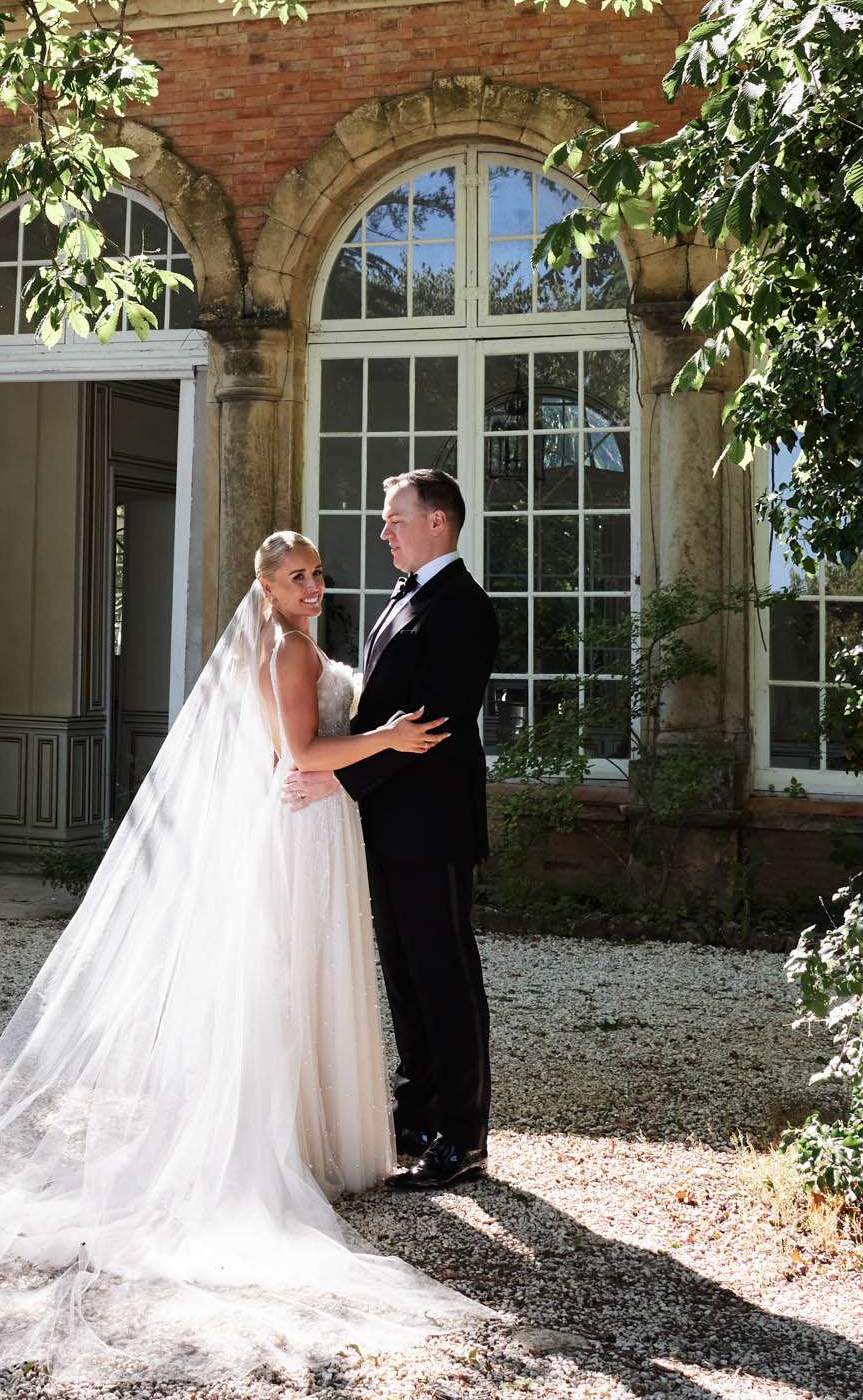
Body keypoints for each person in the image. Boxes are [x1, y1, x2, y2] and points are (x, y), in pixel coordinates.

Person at [0, 533, 478, 1385]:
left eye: (318, 573)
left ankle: (316, 1134)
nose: (314, 585)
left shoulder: (299, 643)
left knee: (308, 981)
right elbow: (302, 757)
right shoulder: (287, 650)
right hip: (300, 829)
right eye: (297, 576)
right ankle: (279, 1140)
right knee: (290, 983)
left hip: (316, 829)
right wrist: (389, 740)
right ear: (266, 588)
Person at [284, 470, 499, 1192]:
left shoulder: (461, 607)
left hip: (431, 821)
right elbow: (383, 716)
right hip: (385, 817)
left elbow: (429, 728)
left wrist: (338, 778)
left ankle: (463, 1139)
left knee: (443, 974)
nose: (384, 533)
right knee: (403, 973)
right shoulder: (406, 597)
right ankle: (416, 1116)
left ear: (438, 522)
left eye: (394, 521)